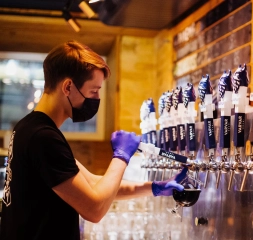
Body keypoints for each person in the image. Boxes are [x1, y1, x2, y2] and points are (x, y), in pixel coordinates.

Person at [0, 40, 187, 239]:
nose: (96, 99)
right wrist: (121, 156)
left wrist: (154, 188)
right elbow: (94, 209)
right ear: (68, 86)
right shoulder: (43, 137)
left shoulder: (30, 127)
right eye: (93, 91)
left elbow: (93, 185)